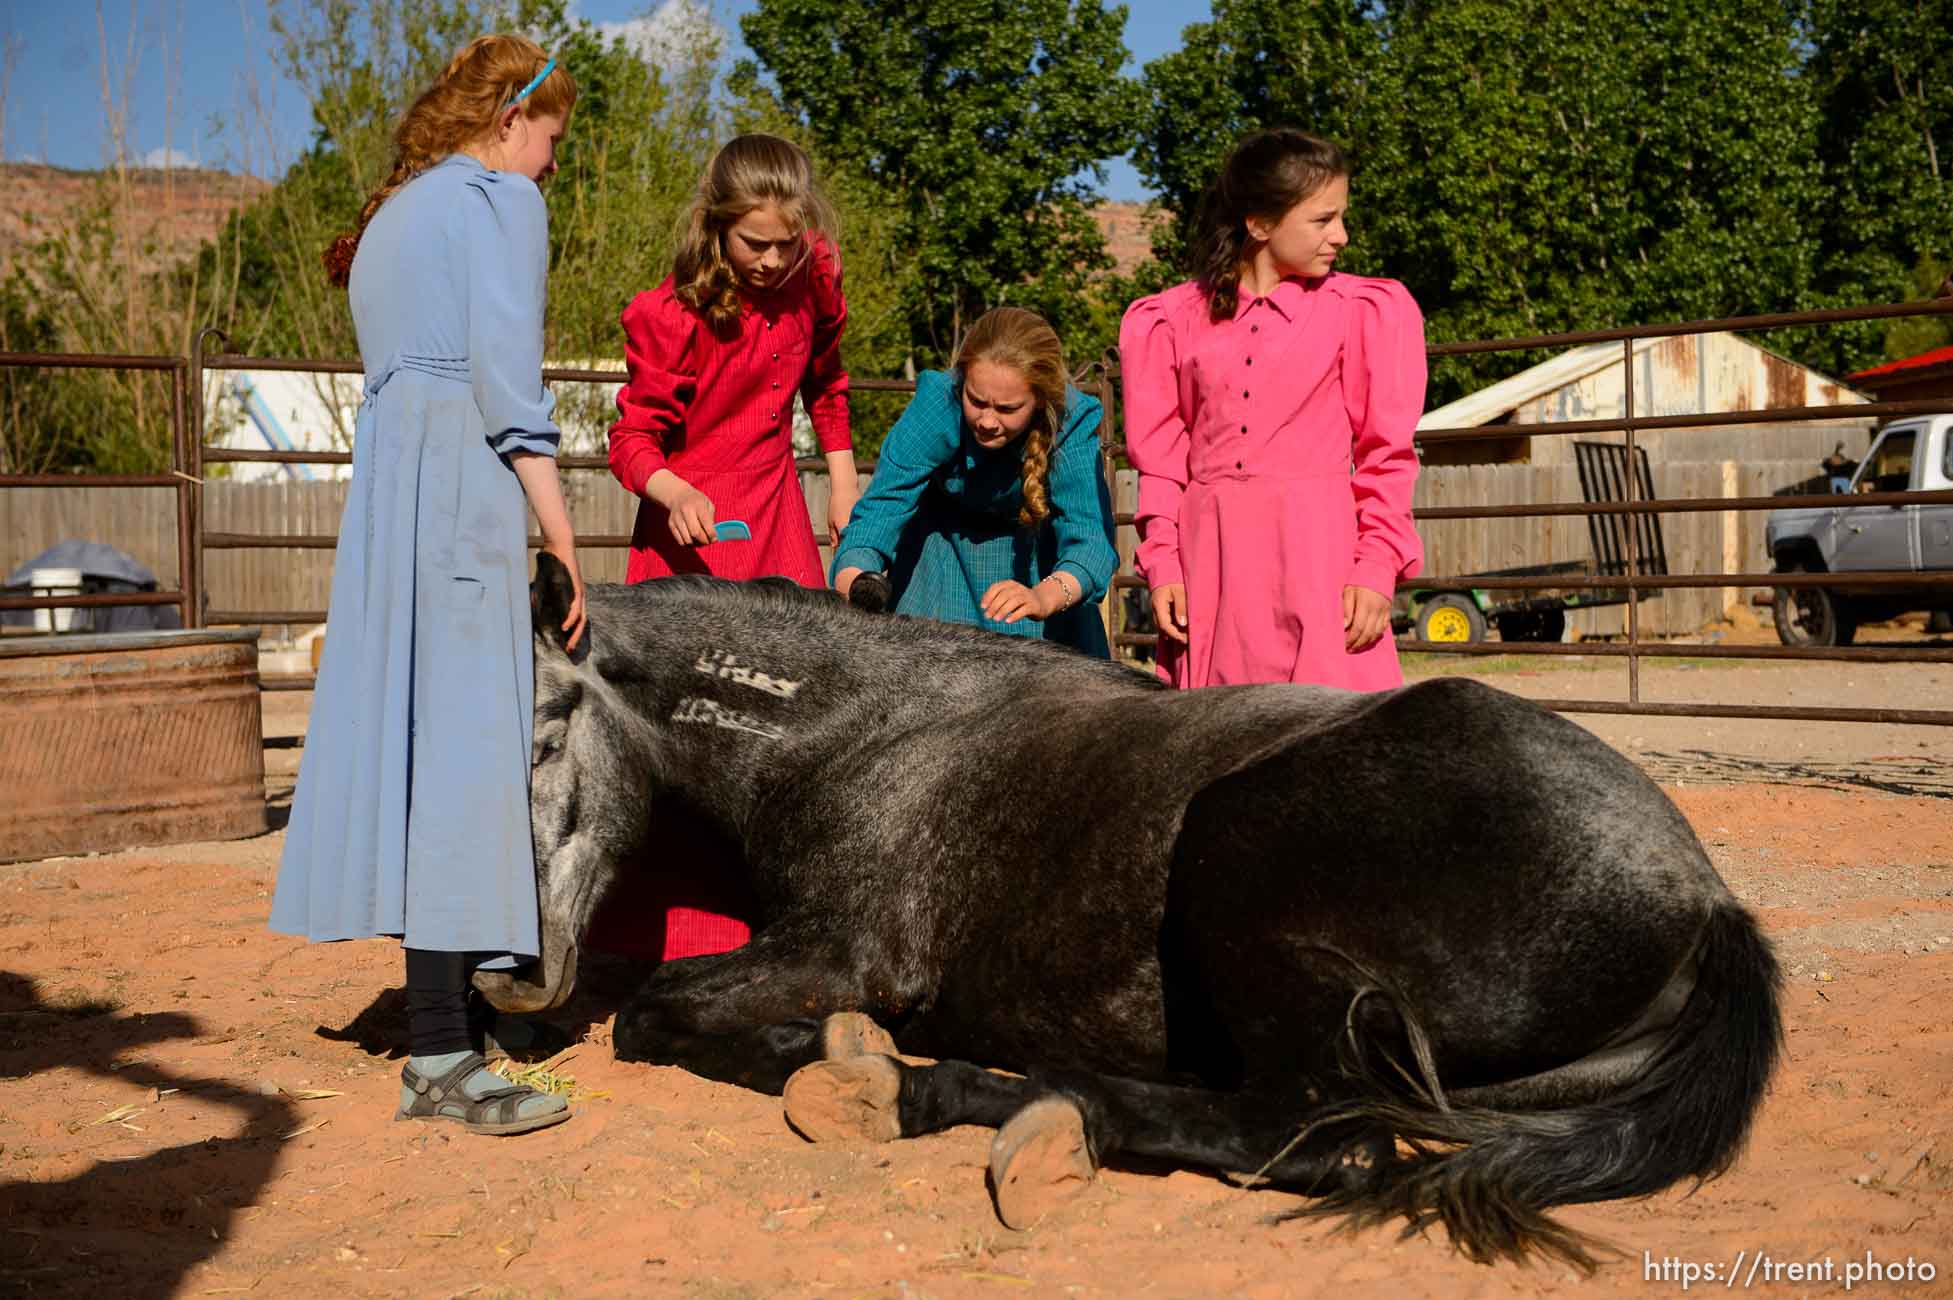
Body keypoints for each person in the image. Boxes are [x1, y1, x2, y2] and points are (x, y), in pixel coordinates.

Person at [270, 34, 586, 1136]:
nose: (552, 164)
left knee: (424, 758)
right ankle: (443, 1057)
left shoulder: (394, 217)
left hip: (391, 494)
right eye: (553, 139)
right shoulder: (501, 200)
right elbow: (508, 377)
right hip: (461, 483)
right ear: (511, 119)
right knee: (464, 762)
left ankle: (459, 1017)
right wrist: (560, 529)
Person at [1120, 127, 1426, 691]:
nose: (1342, 235)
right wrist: (1164, 566)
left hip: (1319, 568)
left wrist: (1377, 567)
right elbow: (1162, 465)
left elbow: (1387, 457)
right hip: (1211, 574)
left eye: (1341, 216)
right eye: (1322, 219)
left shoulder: (1362, 312)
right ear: (1258, 223)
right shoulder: (1169, 321)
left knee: (1333, 747)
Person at [607, 132, 857, 589]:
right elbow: (631, 440)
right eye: (755, 243)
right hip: (693, 528)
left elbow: (825, 383)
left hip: (780, 520)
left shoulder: (814, 272)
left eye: (786, 241)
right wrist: (675, 493)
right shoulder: (675, 313)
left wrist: (844, 487)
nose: (774, 260)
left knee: (797, 656)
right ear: (719, 224)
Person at [830, 306, 1117, 656]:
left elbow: (1091, 542)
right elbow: (882, 507)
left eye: (1007, 409)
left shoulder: (1073, 422)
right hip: (937, 571)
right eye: (976, 400)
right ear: (963, 379)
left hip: (1036, 580)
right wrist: (857, 579)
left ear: (1040, 399)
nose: (987, 421)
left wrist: (1042, 597)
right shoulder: (938, 402)